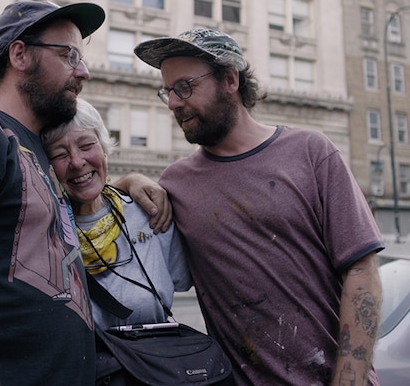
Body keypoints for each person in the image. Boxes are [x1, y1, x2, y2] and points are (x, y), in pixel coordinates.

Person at [0, 0, 171, 386]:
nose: (84, 71)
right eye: (69, 54)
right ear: (20, 55)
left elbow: (82, 187)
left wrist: (128, 181)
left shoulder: (37, 151)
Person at [134, 28, 385, 386]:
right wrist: (131, 179)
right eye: (168, 91)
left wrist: (350, 381)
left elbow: (361, 271)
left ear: (230, 79)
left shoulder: (311, 152)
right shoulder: (175, 184)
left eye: (185, 87)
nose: (174, 102)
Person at [41, 98, 192, 331]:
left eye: (86, 145)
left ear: (104, 149)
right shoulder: (39, 231)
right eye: (60, 154)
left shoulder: (150, 214)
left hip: (149, 362)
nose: (77, 162)